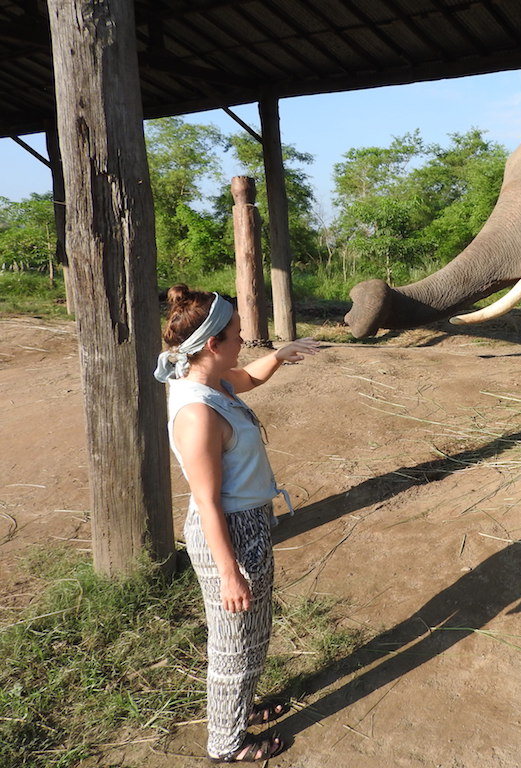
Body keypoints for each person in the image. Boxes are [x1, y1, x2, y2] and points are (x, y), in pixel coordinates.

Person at [154, 285, 319, 763]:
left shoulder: (213, 381)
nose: (243, 341)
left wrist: (283, 356)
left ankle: (240, 708)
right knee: (232, 643)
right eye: (237, 334)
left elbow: (248, 378)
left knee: (254, 630)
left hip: (250, 522)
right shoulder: (197, 411)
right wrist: (228, 572)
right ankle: (226, 742)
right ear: (212, 344)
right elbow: (205, 500)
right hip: (227, 533)